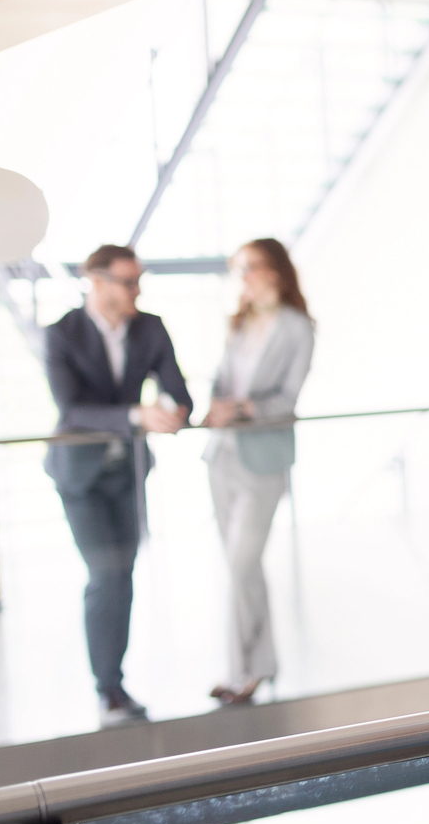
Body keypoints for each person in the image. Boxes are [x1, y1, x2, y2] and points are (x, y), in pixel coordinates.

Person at [43, 244, 192, 726]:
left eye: (139, 281)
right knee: (106, 574)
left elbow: (179, 390)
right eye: (129, 282)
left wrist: (174, 410)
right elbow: (72, 410)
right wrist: (135, 414)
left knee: (122, 572)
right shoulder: (61, 334)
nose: (137, 291)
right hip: (79, 474)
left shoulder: (149, 328)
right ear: (97, 281)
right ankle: (108, 688)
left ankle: (114, 682)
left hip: (127, 471)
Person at [201, 239, 316, 705]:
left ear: (275, 271)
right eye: (238, 270)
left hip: (263, 459)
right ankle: (262, 666)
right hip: (221, 456)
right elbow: (219, 380)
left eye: (250, 268)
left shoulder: (298, 328)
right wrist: (214, 405)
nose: (242, 278)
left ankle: (238, 673)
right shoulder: (240, 324)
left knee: (241, 564)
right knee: (242, 567)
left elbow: (288, 400)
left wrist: (244, 408)